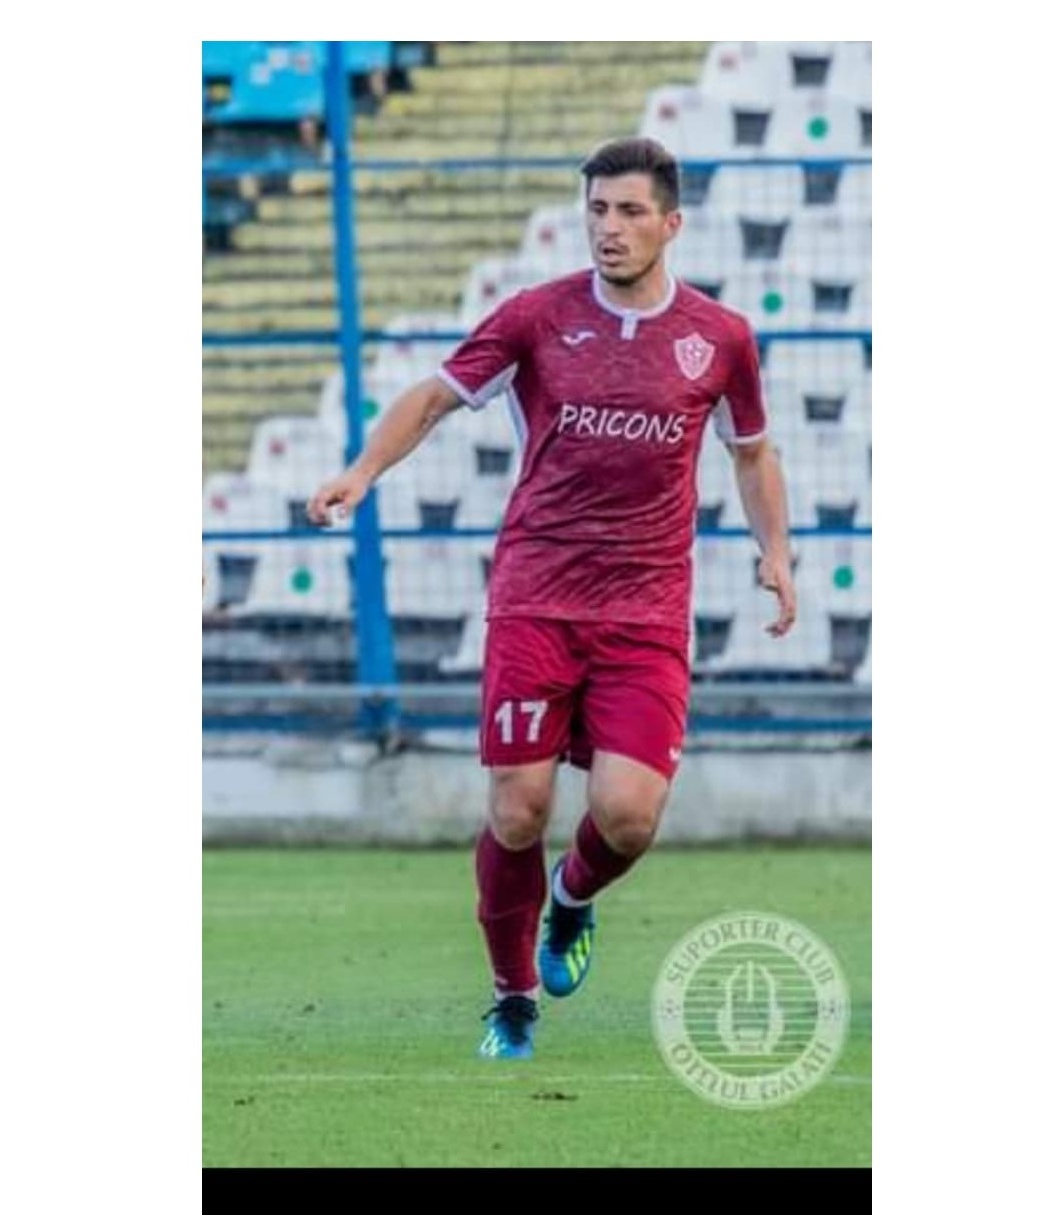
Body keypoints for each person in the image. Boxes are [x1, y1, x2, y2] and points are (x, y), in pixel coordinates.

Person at [305, 136, 796, 1060]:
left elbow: (751, 452)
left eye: (630, 212)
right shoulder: (537, 317)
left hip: (647, 609)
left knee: (628, 816)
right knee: (518, 807)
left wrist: (775, 550)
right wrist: (361, 470)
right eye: (597, 210)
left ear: (671, 223)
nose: (609, 228)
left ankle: (570, 898)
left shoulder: (721, 338)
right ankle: (512, 999)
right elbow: (434, 396)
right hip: (536, 596)